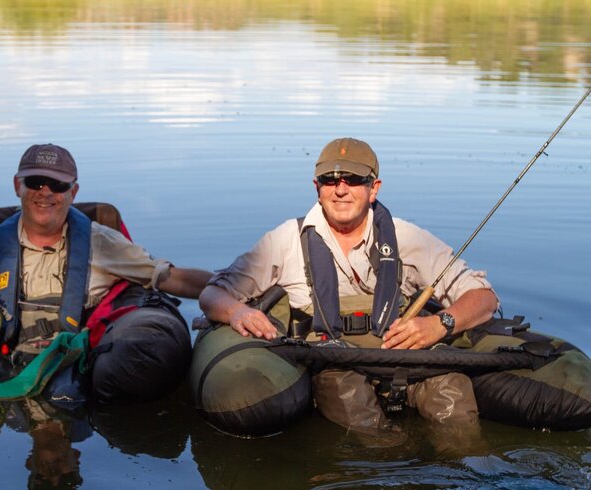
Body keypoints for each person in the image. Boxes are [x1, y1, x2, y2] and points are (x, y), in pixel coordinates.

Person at [199, 138, 498, 430]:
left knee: (454, 398)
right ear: (317, 188)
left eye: (353, 180)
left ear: (373, 188)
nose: (340, 190)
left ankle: (468, 459)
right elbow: (213, 293)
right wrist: (238, 312)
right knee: (353, 407)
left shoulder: (407, 237)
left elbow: (484, 298)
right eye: (329, 180)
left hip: (405, 354)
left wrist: (439, 324)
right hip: (333, 362)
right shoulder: (285, 239)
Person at [0, 143, 212, 400]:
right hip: (1, 359)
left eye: (58, 184)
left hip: (74, 361)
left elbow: (171, 277)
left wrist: (226, 289)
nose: (45, 192)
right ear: (17, 185)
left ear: (73, 192)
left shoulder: (103, 243)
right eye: (35, 182)